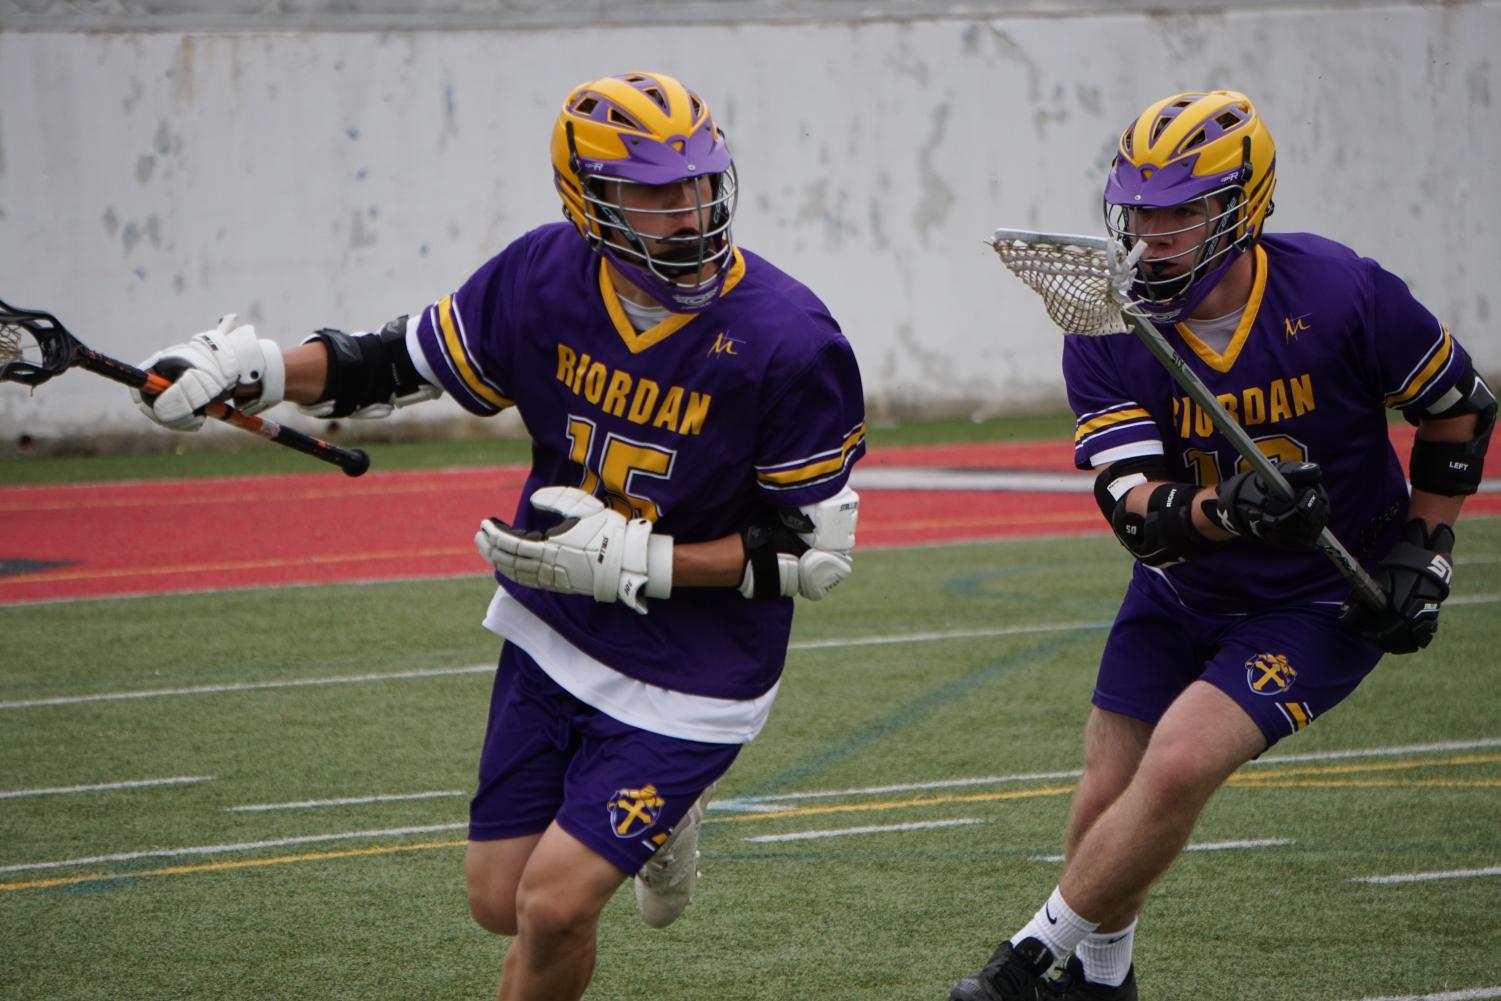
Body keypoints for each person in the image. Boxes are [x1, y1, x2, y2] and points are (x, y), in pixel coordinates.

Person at [131, 71, 867, 1001]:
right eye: (651, 191)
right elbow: (395, 362)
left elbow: (812, 554)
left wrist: (642, 564)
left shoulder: (788, 336)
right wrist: (255, 367)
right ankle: (658, 821)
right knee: (500, 899)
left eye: (696, 184)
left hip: (699, 669)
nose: (684, 212)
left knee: (555, 905)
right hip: (553, 626)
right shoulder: (543, 275)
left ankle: (664, 799)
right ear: (587, 200)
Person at [951, 90, 1494, 1000]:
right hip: (1180, 586)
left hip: (1320, 594)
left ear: (1242, 205)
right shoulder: (1108, 331)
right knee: (1102, 796)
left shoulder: (1338, 291)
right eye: (1139, 211)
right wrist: (1229, 511)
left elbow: (1458, 410)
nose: (1152, 233)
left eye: (1180, 210)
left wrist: (1427, 548)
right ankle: (1103, 981)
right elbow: (1139, 514)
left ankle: (1022, 960)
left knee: (1181, 760)